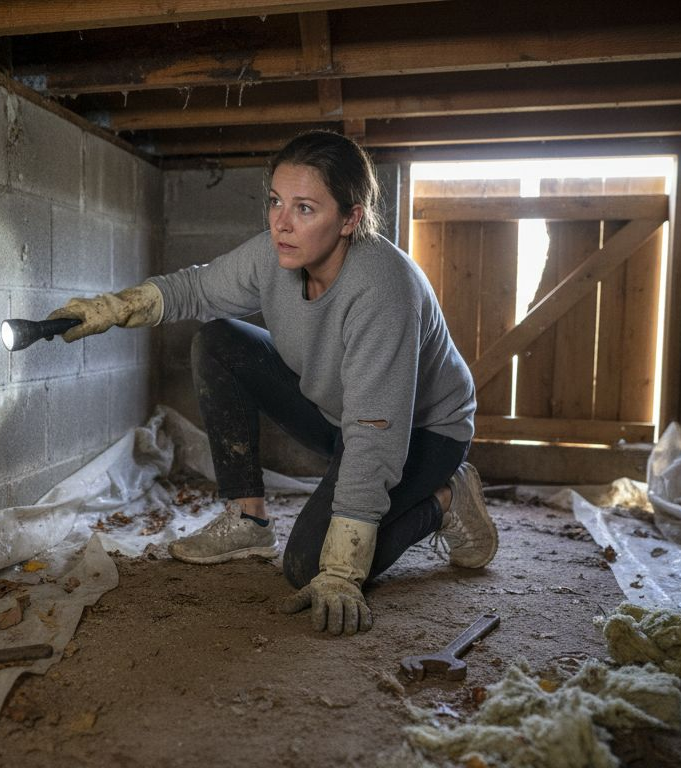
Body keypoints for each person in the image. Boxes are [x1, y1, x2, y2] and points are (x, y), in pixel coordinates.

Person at [47, 130, 496, 637]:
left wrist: (343, 571)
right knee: (219, 342)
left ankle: (445, 500)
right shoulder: (275, 254)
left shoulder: (383, 291)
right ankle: (248, 521)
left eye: (305, 208)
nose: (282, 223)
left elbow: (375, 434)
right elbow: (197, 289)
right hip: (339, 414)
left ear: (350, 218)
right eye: (277, 202)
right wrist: (112, 308)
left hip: (420, 431)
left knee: (309, 569)